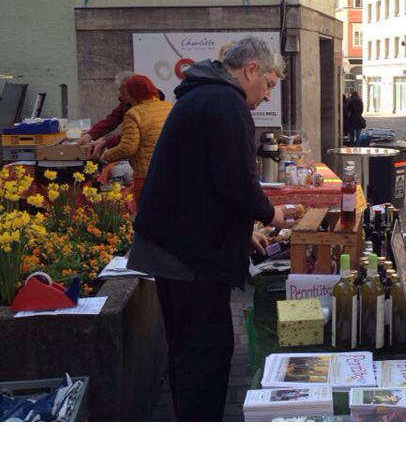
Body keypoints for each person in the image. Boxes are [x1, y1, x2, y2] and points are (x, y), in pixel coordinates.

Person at [127, 36, 290, 421]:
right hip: (187, 257)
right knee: (206, 357)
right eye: (268, 84)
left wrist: (240, 230)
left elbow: (202, 182)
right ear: (250, 70)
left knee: (188, 352)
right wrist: (271, 216)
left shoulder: (205, 96)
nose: (267, 96)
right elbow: (234, 182)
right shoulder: (225, 103)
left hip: (176, 246)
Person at [98, 75, 172, 208]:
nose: (121, 97)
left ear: (131, 94)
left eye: (123, 93)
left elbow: (127, 148)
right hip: (172, 172)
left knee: (148, 219)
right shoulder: (169, 108)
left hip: (147, 176)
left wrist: (104, 157)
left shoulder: (133, 114)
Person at [78, 71, 133, 158]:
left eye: (121, 91)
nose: (119, 94)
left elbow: (131, 137)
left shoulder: (140, 109)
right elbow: (111, 121)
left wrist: (106, 145)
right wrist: (90, 135)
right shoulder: (127, 103)